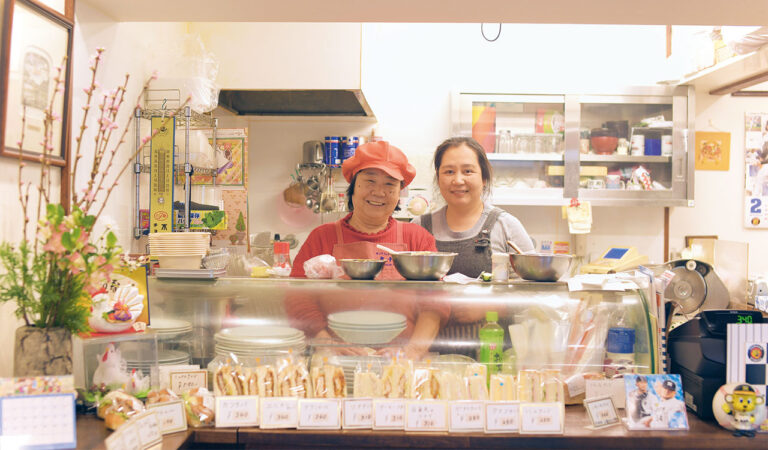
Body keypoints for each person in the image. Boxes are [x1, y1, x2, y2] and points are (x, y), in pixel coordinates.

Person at [285, 141, 450, 359]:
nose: (379, 192)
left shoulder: (417, 238)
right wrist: (328, 344)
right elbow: (297, 298)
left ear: (400, 193)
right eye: (370, 180)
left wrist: (412, 351)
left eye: (390, 184)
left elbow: (435, 303)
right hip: (336, 358)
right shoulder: (322, 237)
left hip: (401, 359)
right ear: (353, 186)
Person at [413, 137, 534, 279]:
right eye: (449, 172)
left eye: (468, 171)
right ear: (438, 178)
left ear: (484, 178)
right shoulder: (418, 227)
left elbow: (531, 288)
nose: (458, 180)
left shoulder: (507, 227)